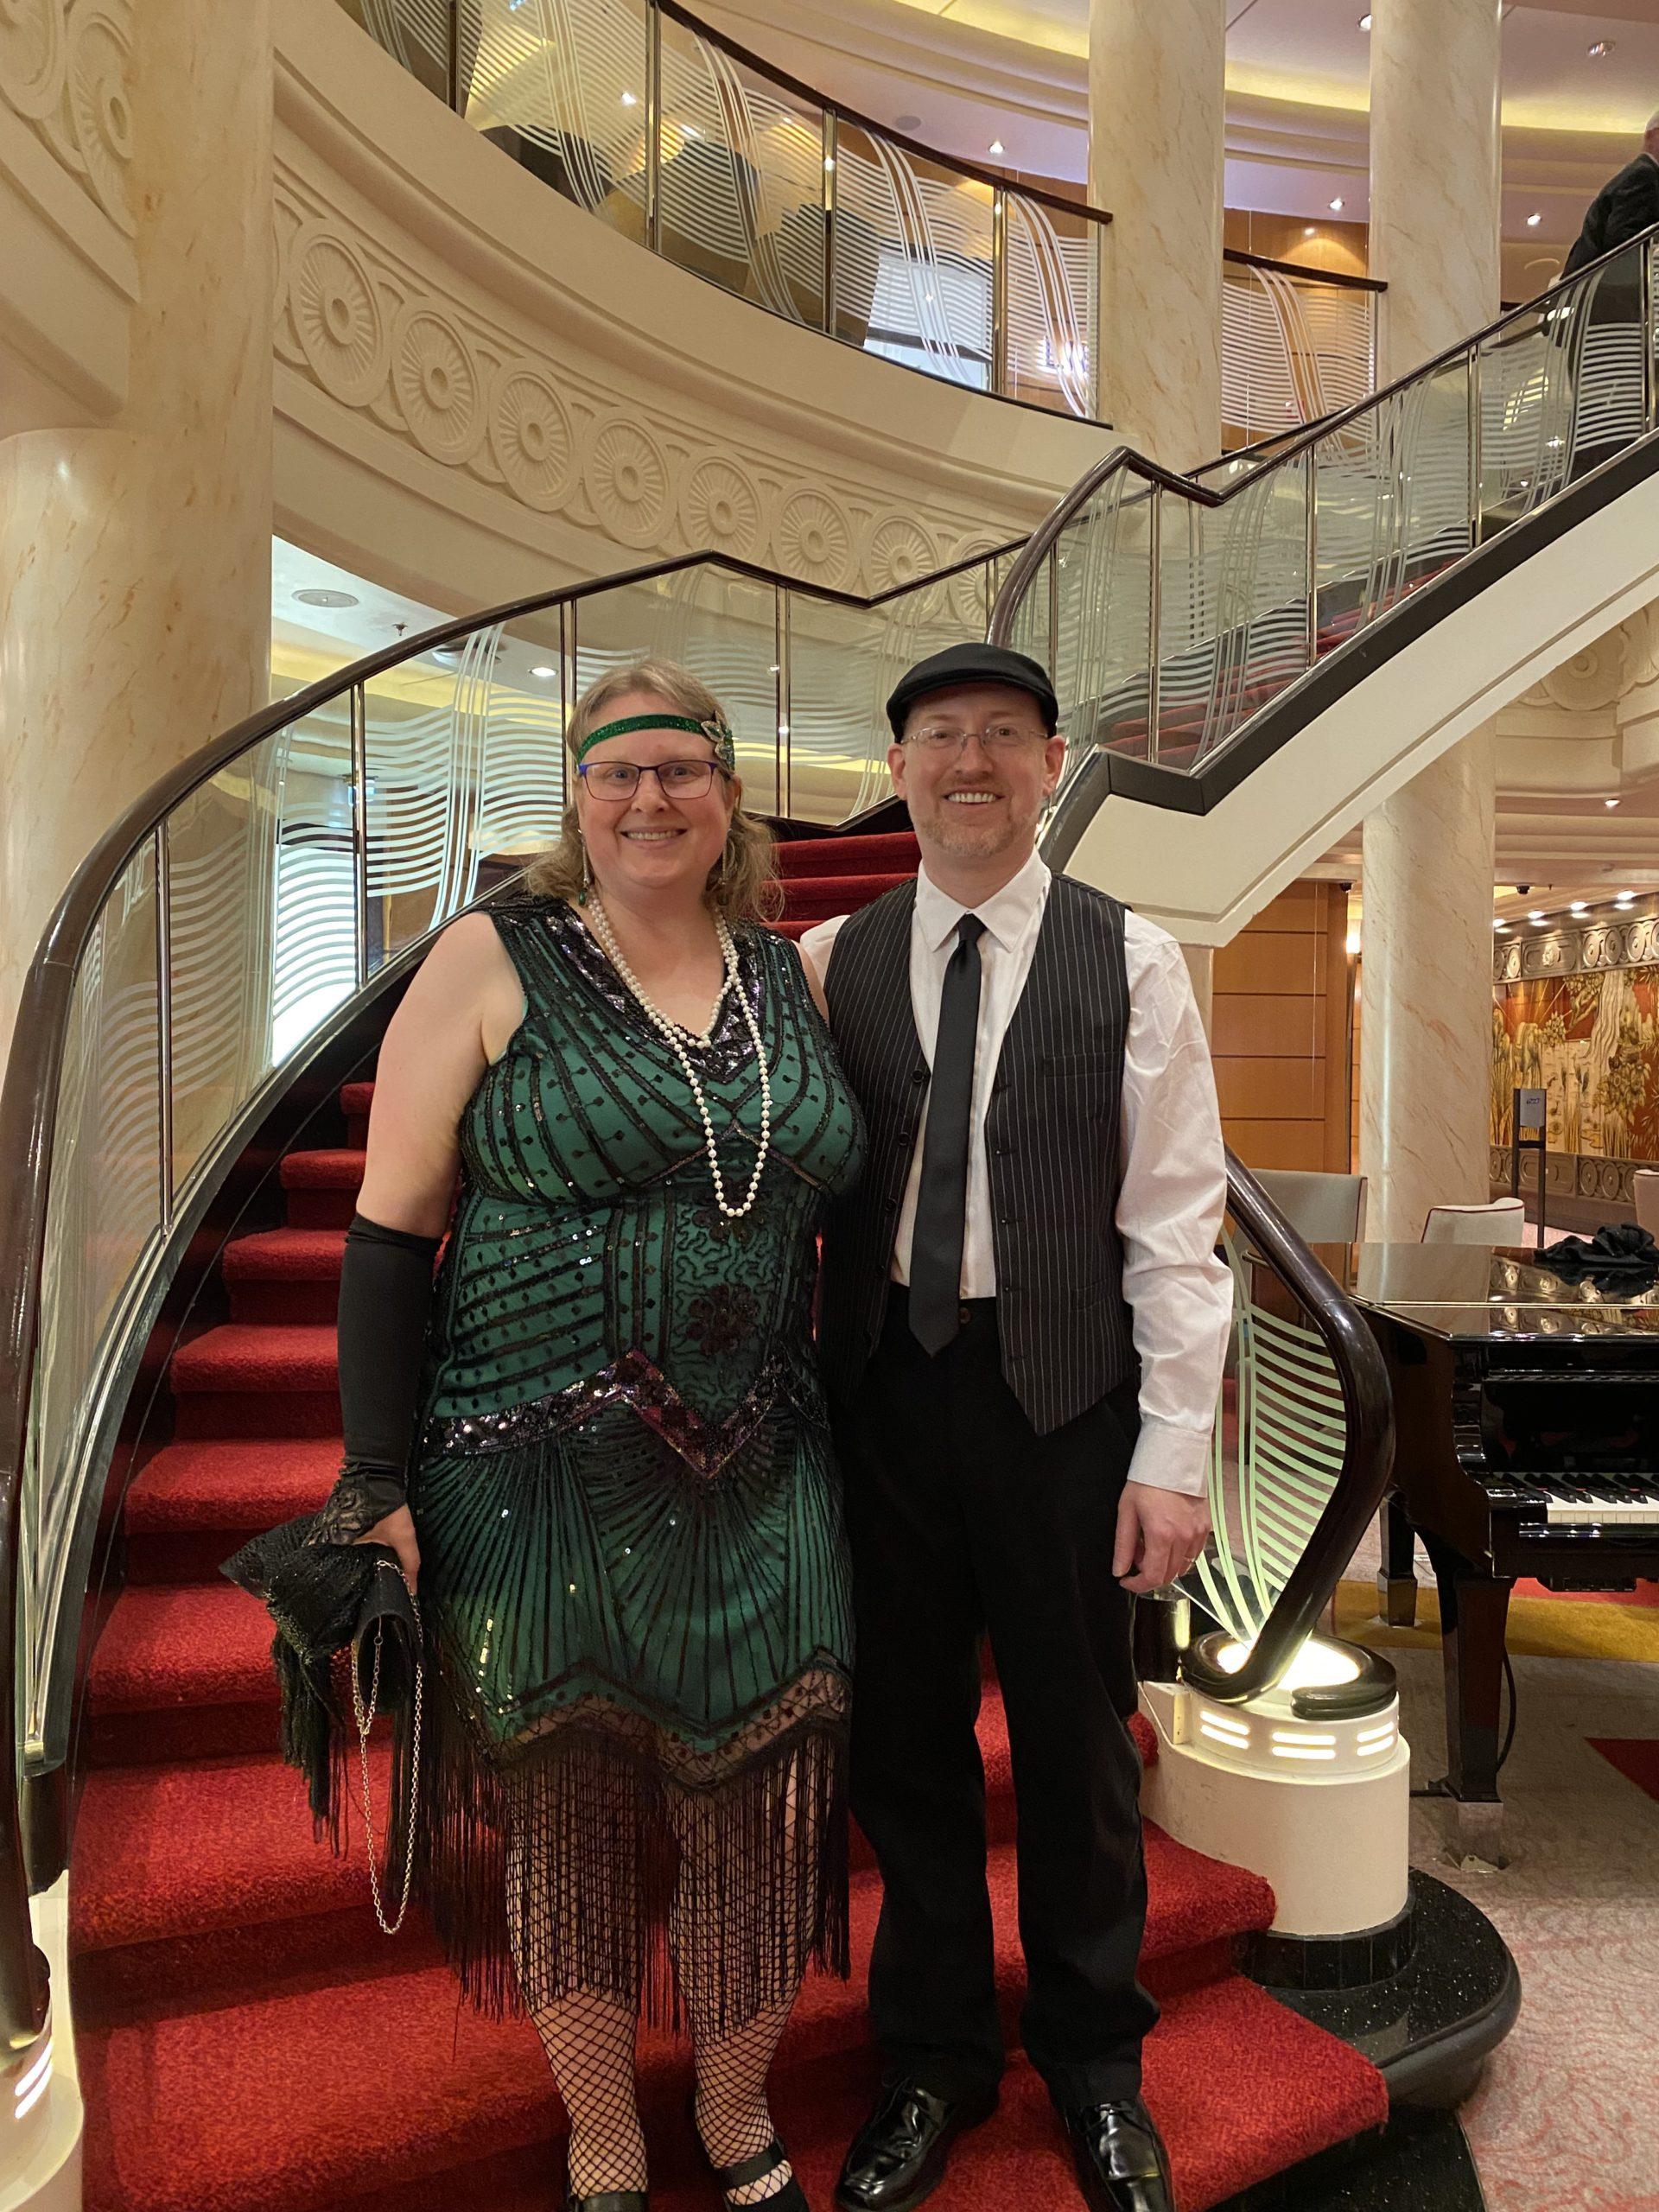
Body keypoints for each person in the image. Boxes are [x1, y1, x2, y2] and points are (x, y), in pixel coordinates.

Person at [323, 658, 864, 2212]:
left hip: (768, 1468)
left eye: (679, 772)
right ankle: (604, 2133)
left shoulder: (793, 978)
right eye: (616, 774)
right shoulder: (492, 957)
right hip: (532, 1470)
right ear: (576, 795)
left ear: (728, 796)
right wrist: (373, 1480)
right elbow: (382, 1236)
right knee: (566, 1812)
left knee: (759, 1809)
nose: (648, 800)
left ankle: (737, 2110)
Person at [798, 642, 1233, 2212]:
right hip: (882, 1405)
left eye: (1000, 736)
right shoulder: (825, 956)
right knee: (902, 1750)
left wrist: (1172, 1459)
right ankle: (931, 2059)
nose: (967, 761)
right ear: (899, 766)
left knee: (1074, 1752)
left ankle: (1097, 2069)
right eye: (937, 737)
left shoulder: (1135, 960)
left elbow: (1177, 1230)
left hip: (1063, 1402)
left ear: (1053, 762)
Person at [1563, 110, 1659, 276]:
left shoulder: (1641, 174)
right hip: (1606, 289)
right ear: (1652, 136)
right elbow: (1625, 245)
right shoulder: (1644, 175)